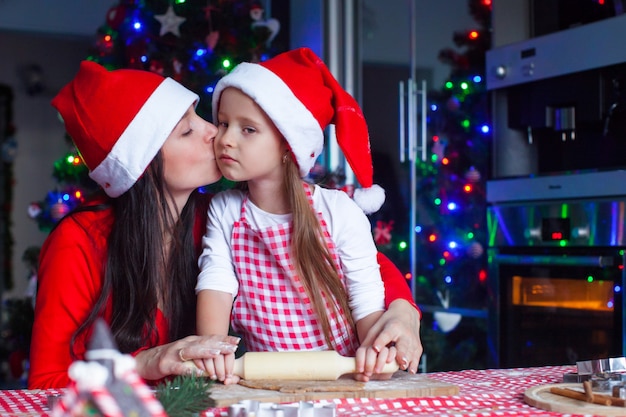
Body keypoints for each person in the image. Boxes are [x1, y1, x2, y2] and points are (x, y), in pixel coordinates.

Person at [29, 60, 422, 389]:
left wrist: (403, 312)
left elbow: (359, 262)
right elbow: (46, 383)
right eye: (188, 130)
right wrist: (148, 362)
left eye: (202, 118)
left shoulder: (212, 215)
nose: (214, 132)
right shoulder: (79, 243)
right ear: (143, 166)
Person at [196, 47, 418, 385]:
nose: (224, 139)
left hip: (342, 381)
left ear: (289, 144)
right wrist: (212, 354)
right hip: (264, 385)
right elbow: (216, 284)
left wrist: (378, 355)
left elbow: (365, 300)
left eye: (248, 129)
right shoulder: (225, 210)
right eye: (224, 123)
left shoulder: (338, 211)